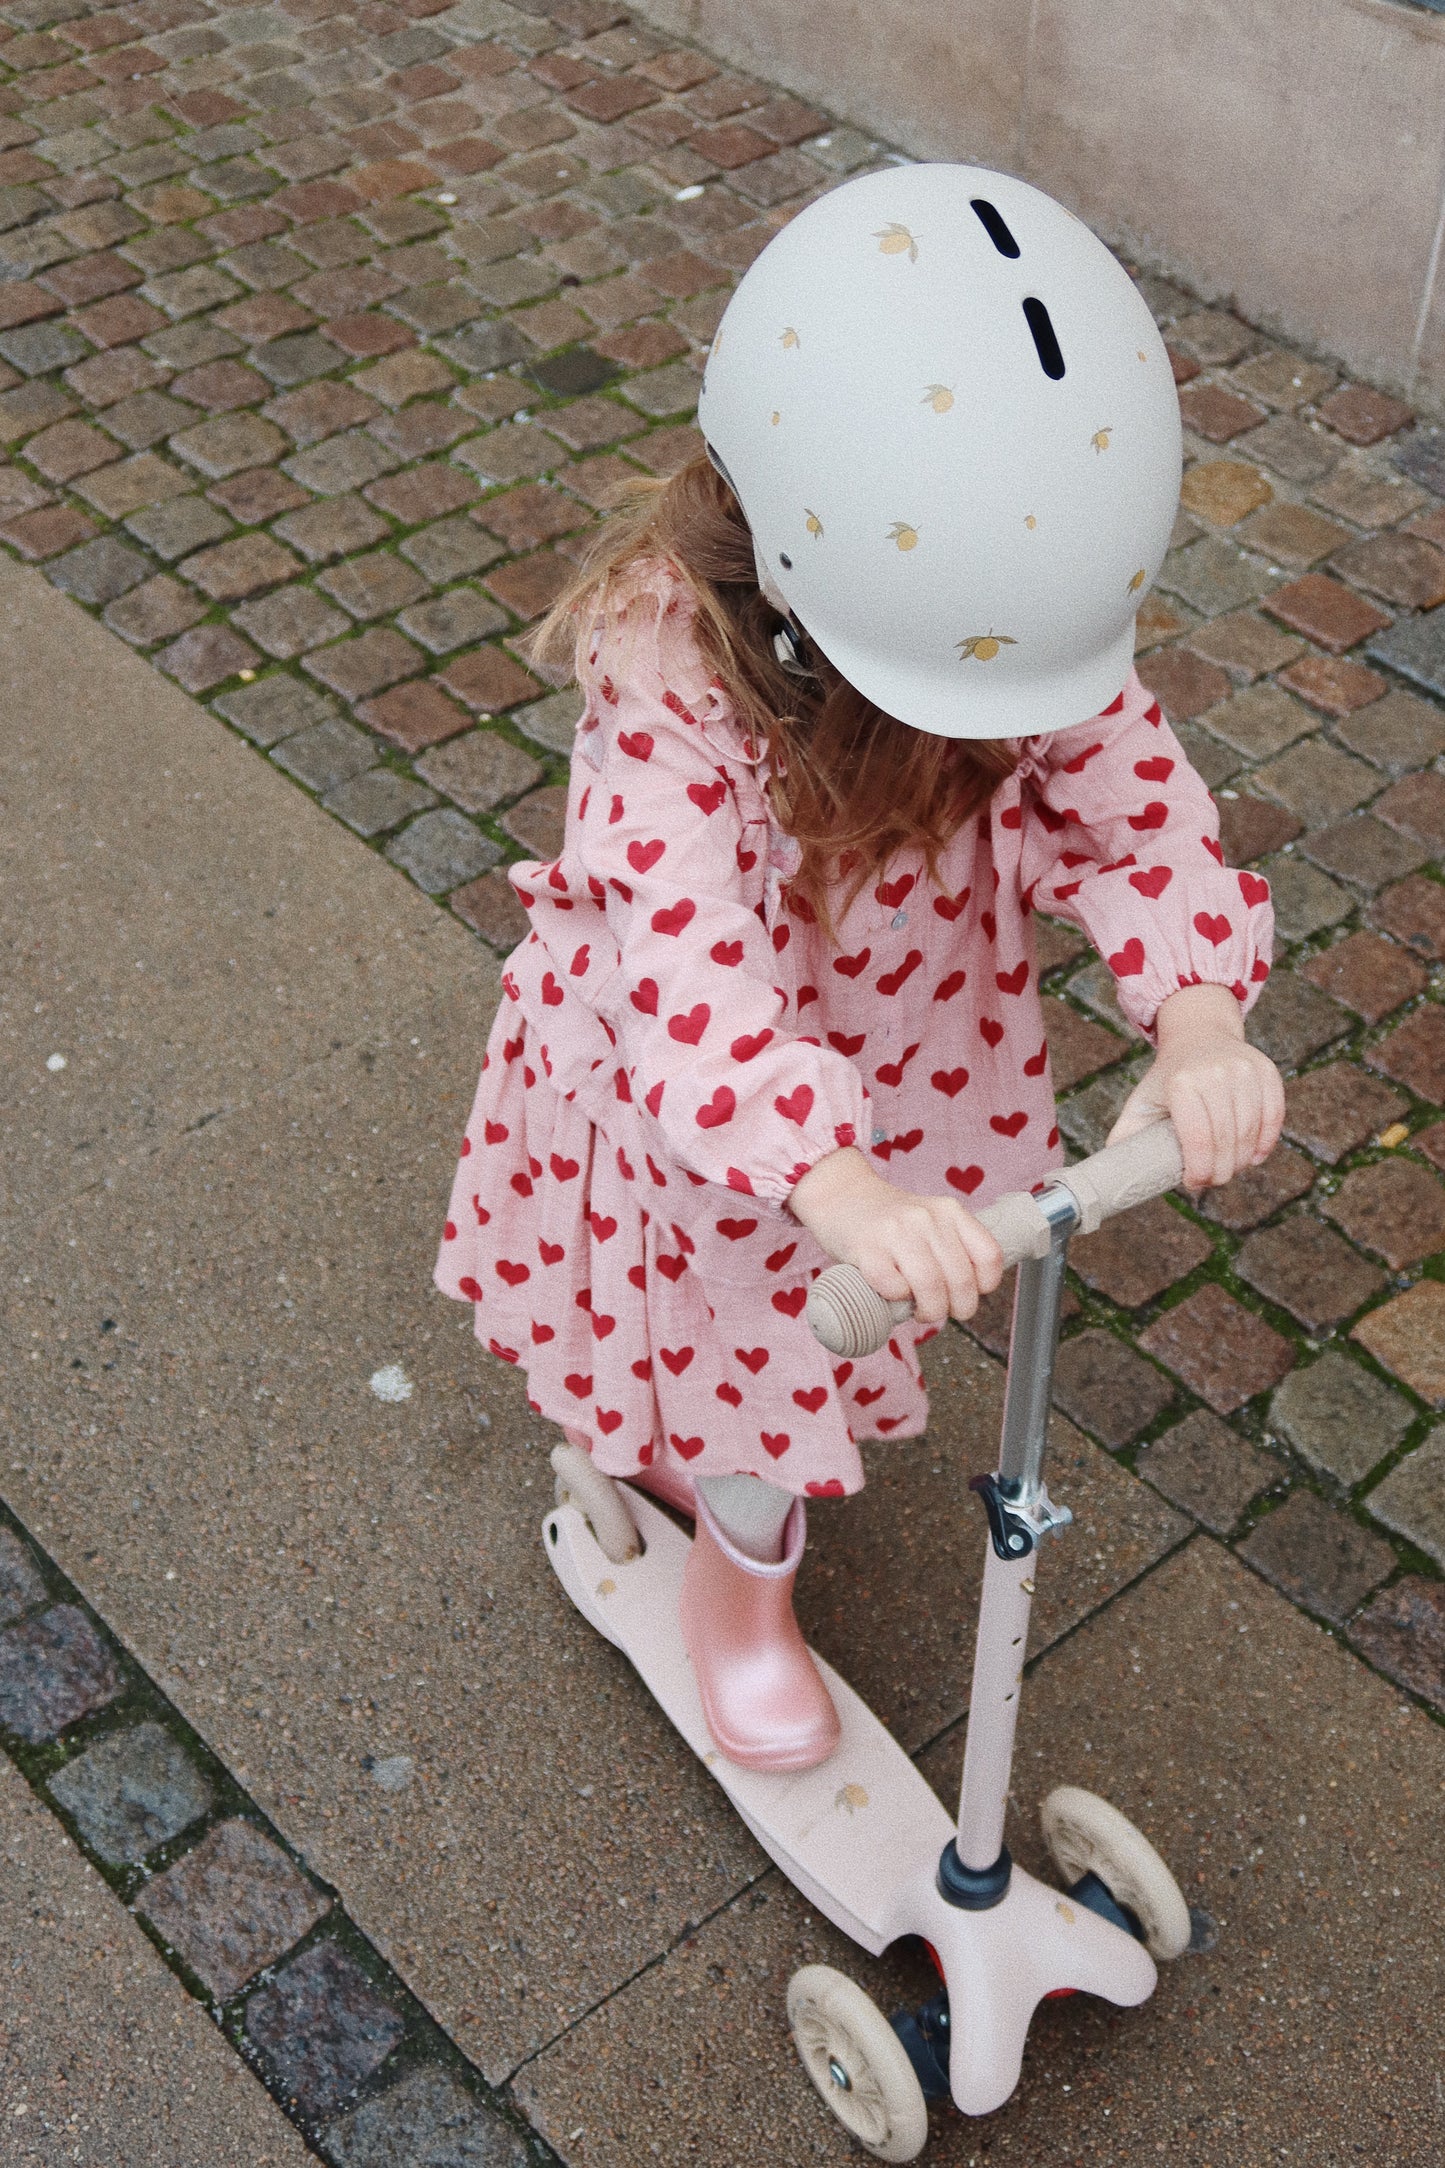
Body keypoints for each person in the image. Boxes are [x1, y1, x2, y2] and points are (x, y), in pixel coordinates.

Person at [435, 164, 1285, 1776]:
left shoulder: (999, 614)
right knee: (755, 1348)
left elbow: (1137, 811)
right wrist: (835, 1186)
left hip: (908, 1052)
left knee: (823, 1324)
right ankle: (736, 1599)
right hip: (733, 1109)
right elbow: (691, 974)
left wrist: (1194, 1023)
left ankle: (727, 1468)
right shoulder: (669, 670)